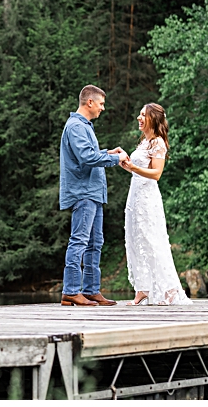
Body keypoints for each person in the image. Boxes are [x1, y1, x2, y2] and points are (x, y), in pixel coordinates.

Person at [60, 84, 127, 307]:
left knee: (95, 243)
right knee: (79, 241)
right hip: (83, 192)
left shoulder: (85, 126)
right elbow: (86, 158)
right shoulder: (76, 126)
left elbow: (90, 154)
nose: (103, 108)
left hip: (93, 193)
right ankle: (71, 291)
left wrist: (107, 153)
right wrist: (116, 160)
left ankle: (90, 290)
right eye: (101, 104)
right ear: (89, 102)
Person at [118, 102, 186, 305]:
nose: (139, 118)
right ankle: (142, 289)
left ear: (153, 119)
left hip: (148, 199)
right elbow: (138, 169)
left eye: (143, 115)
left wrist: (133, 167)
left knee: (151, 240)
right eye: (139, 114)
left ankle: (167, 290)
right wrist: (126, 165)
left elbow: (156, 174)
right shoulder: (144, 143)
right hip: (134, 197)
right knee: (134, 240)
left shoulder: (158, 143)